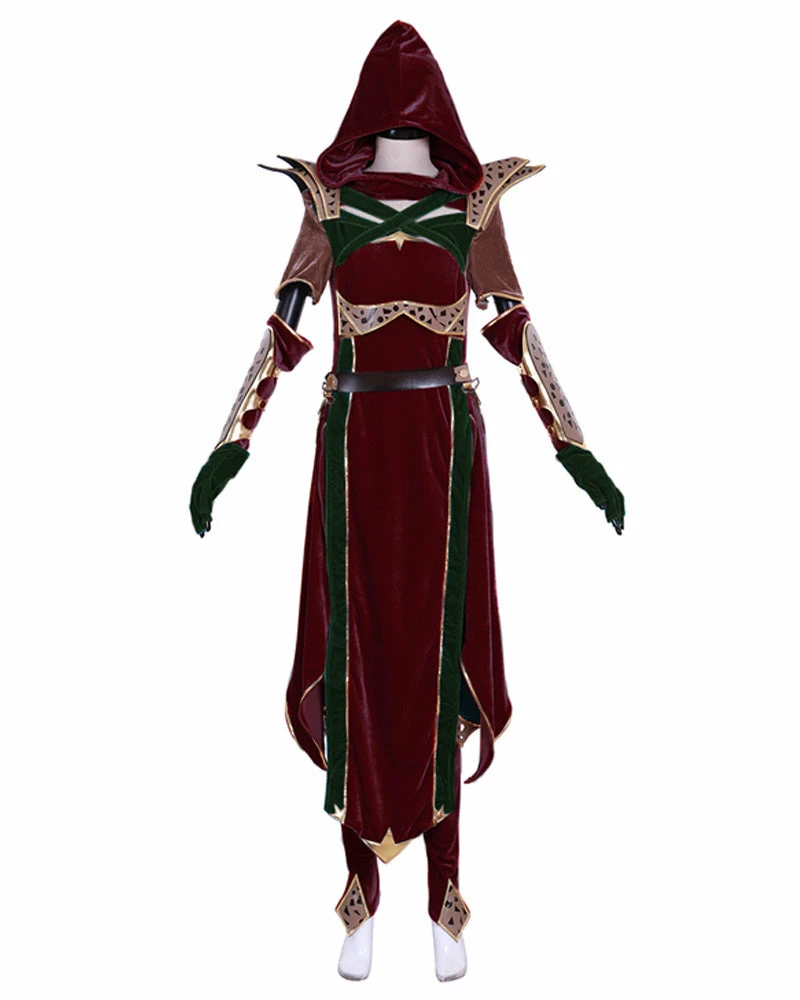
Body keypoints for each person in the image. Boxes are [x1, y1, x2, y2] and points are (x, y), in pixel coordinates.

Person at [190, 21, 624, 982]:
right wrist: (230, 446)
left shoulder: (473, 208)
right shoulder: (327, 203)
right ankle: (357, 899)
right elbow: (283, 330)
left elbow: (515, 330)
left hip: (443, 453)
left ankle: (446, 901)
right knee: (354, 657)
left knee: (438, 657)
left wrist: (574, 448)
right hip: (352, 450)